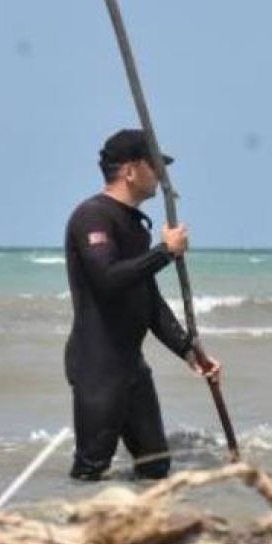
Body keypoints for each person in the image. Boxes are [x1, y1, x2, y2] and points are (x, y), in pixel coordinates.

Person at [63, 129, 221, 480]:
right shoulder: (93, 217)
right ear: (131, 171)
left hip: (131, 365)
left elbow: (146, 299)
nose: (162, 175)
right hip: (97, 365)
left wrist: (188, 350)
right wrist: (165, 252)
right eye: (156, 166)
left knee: (155, 465)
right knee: (91, 468)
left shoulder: (135, 225)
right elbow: (108, 279)